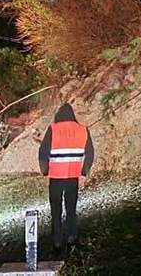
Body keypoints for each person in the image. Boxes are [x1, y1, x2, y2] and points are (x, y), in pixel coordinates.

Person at [38, 103, 94, 251]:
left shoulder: (53, 129)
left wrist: (44, 171)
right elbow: (90, 153)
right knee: (71, 209)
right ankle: (71, 237)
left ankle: (57, 241)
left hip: (56, 177)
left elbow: (43, 152)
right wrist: (84, 171)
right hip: (72, 177)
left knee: (56, 210)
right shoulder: (83, 130)